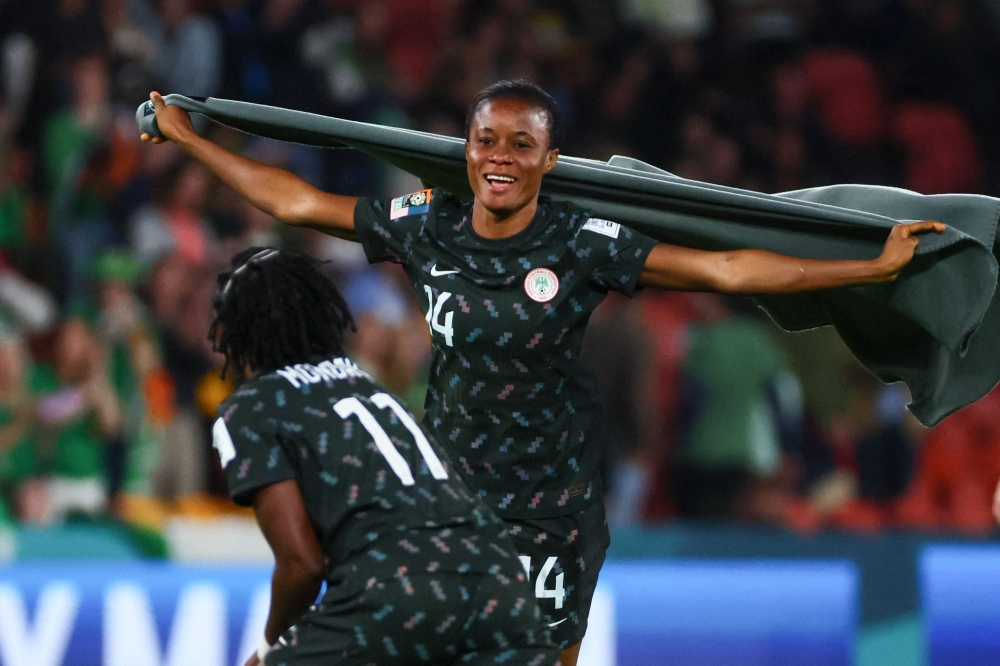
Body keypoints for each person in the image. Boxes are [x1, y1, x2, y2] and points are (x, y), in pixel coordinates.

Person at [143, 79, 944, 665]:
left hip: (550, 512)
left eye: (519, 144)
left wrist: (869, 270)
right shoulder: (428, 226)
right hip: (447, 511)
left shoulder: (582, 242)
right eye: (486, 140)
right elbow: (296, 203)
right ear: (467, 149)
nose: (498, 157)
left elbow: (729, 271)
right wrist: (193, 140)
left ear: (547, 159)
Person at [208, 247, 559, 666]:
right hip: (499, 579)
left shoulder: (252, 406)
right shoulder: (368, 384)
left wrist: (269, 650)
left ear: (239, 334)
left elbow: (302, 564)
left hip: (395, 587)